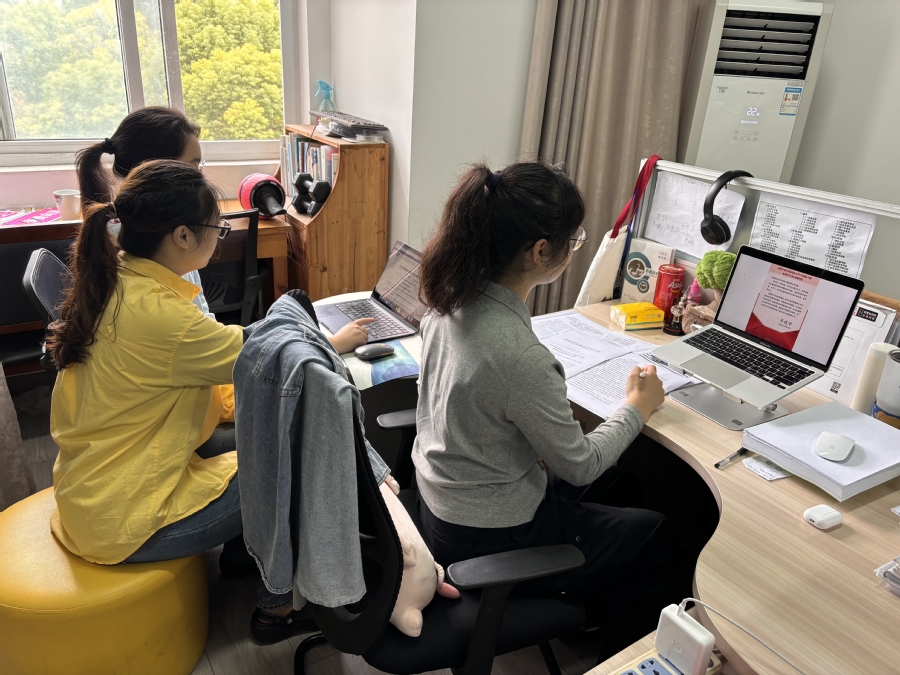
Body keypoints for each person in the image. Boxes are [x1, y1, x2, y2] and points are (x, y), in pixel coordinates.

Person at [412, 162, 679, 658]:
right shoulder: (518, 354)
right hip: (487, 535)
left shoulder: (447, 302)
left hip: (444, 504)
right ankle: (622, 657)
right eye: (573, 241)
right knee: (653, 531)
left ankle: (586, 608)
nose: (574, 249)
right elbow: (580, 466)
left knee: (620, 484)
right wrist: (638, 407)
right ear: (540, 252)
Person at [47, 160, 309, 644]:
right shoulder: (162, 316)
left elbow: (230, 355)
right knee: (293, 461)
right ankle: (279, 609)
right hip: (124, 521)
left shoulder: (117, 277)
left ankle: (242, 555)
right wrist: (332, 339)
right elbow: (262, 358)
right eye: (218, 228)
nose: (221, 237)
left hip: (94, 489)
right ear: (183, 236)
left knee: (249, 434)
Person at [73, 106, 371, 351]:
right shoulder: (156, 255)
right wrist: (329, 344)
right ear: (162, 169)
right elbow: (210, 339)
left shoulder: (130, 236)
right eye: (193, 165)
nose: (200, 176)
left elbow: (203, 323)